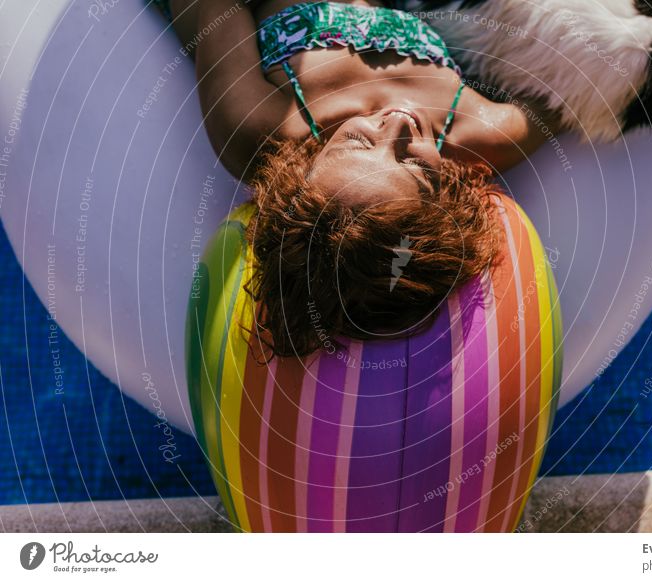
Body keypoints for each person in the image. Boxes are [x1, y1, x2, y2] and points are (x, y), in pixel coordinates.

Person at [158, 0, 559, 356]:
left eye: (356, 143)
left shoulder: (258, 127)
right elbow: (572, 91)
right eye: (416, 166)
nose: (397, 125)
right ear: (443, 204)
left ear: (303, 175)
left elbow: (215, 10)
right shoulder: (481, 135)